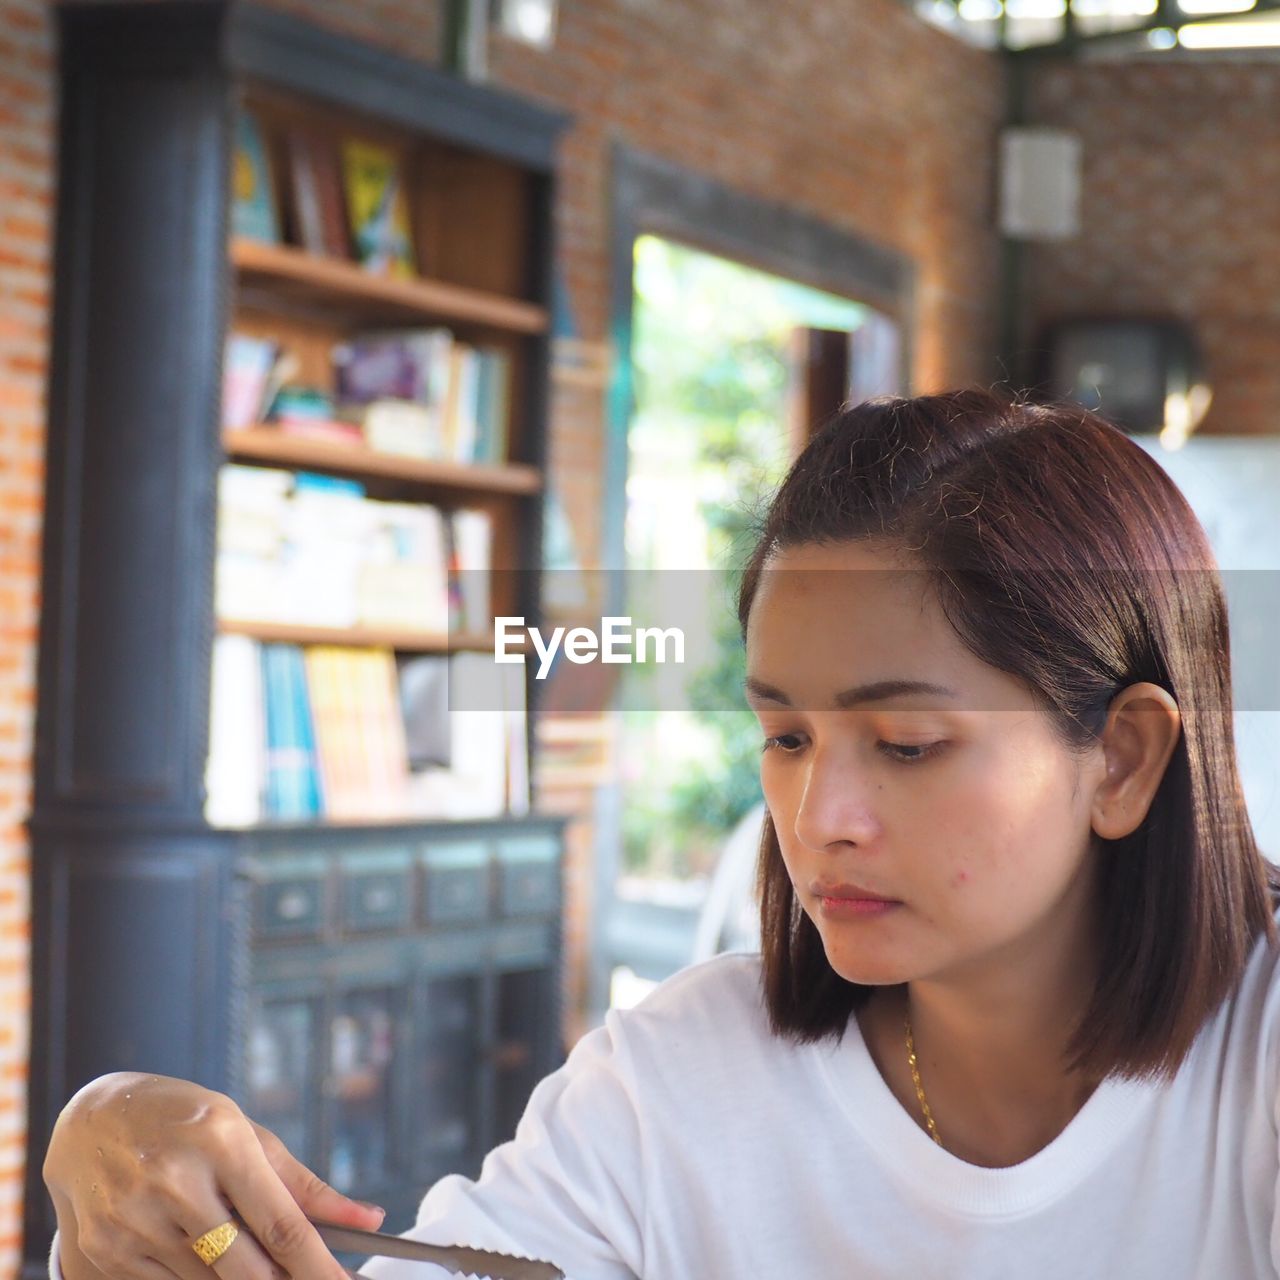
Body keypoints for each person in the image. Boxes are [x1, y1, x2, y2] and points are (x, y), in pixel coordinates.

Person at [43, 389, 1280, 1279]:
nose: (815, 819)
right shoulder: (678, 1077)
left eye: (904, 744)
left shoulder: (1253, 1064)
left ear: (1120, 756)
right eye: (785, 735)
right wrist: (118, 1158)